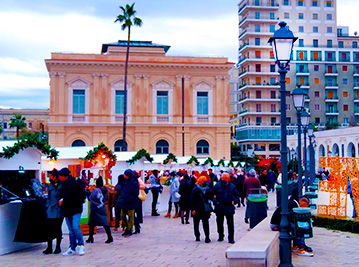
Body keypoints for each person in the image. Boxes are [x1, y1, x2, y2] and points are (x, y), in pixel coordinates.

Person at [270, 190, 313, 257]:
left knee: (297, 227)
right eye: (305, 207)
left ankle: (296, 246)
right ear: (303, 204)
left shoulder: (293, 203)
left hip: (277, 223)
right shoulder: (293, 205)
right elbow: (291, 217)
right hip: (276, 225)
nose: (304, 208)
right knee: (299, 228)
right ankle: (301, 248)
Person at [58, 167, 86, 256]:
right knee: (71, 229)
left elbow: (81, 194)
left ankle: (81, 245)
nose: (59, 177)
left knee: (75, 227)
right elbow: (61, 195)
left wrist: (70, 201)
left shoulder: (76, 181)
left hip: (76, 208)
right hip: (66, 209)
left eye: (60, 176)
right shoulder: (62, 184)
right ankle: (72, 247)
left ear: (64, 176)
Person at [213, 173, 239, 244]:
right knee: (219, 222)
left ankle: (231, 238)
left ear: (228, 179)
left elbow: (237, 195)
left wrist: (235, 201)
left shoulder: (232, 186)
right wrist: (215, 201)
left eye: (225, 178)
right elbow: (212, 195)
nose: (223, 180)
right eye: (222, 178)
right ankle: (220, 235)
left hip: (229, 206)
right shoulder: (217, 186)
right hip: (220, 207)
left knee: (230, 223)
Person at [43, 169, 64, 254]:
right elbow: (48, 197)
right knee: (49, 229)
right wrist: (47, 207)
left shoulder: (62, 185)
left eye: (51, 176)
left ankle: (58, 247)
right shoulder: (50, 186)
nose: (49, 177)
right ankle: (49, 247)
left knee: (58, 228)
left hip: (59, 210)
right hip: (51, 209)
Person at [86, 177, 113, 244]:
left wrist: (87, 192)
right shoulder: (105, 190)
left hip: (94, 208)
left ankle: (90, 237)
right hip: (102, 207)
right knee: (105, 222)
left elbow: (91, 198)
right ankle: (109, 237)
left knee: (91, 223)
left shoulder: (96, 190)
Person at [190, 176, 213, 243]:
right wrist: (193, 209)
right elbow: (191, 199)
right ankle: (197, 236)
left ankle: (207, 236)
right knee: (196, 223)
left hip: (205, 209)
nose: (205, 182)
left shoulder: (207, 189)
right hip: (197, 208)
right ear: (201, 181)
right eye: (204, 181)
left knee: (206, 223)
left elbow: (210, 197)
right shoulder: (195, 189)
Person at [121, 169, 139, 237]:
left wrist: (129, 199)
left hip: (131, 202)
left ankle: (130, 230)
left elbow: (135, 193)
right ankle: (126, 228)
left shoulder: (133, 182)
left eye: (125, 174)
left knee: (131, 217)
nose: (124, 175)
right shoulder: (126, 181)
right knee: (122, 215)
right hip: (125, 201)